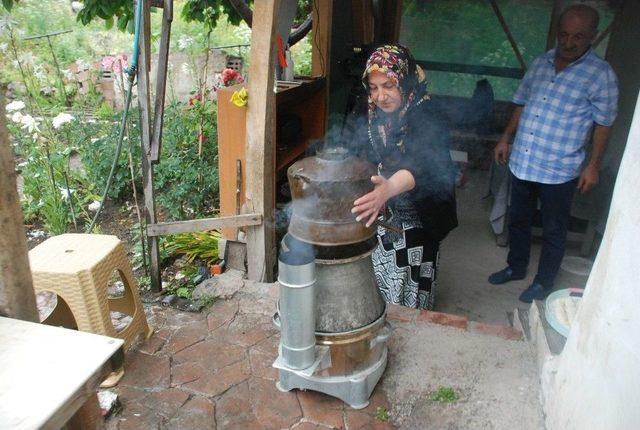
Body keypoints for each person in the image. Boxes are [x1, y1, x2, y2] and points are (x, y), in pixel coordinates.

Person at [489, 4, 618, 303]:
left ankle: (543, 282)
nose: (569, 42)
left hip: (559, 169)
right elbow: (521, 103)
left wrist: (593, 165)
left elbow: (604, 124)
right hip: (523, 160)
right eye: (564, 35)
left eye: (579, 36)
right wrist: (505, 138)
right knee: (518, 220)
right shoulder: (541, 63)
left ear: (593, 36)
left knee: (553, 230)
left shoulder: (601, 75)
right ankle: (516, 267)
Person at [348, 44, 457, 310]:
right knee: (382, 273)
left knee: (411, 275)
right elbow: (366, 151)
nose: (380, 97)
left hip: (422, 209)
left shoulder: (427, 113)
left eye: (388, 86)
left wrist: (388, 188)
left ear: (404, 81)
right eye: (373, 88)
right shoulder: (375, 113)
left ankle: (410, 321)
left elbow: (421, 163)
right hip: (387, 203)